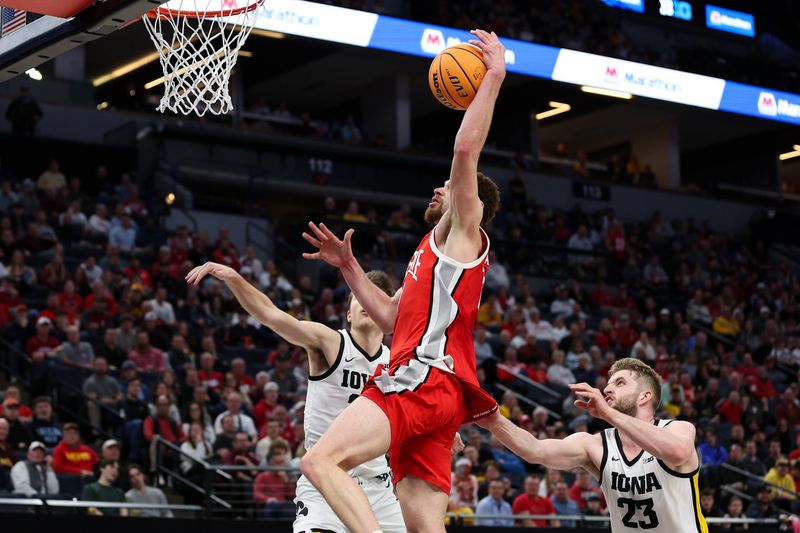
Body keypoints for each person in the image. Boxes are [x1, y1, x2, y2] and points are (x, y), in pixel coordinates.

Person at [297, 29, 505, 533]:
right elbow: (393, 318)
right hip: (444, 393)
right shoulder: (430, 255)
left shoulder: (463, 230)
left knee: (319, 463)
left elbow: (463, 153)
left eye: (449, 188)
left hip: (423, 377)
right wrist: (349, 268)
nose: (439, 188)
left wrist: (493, 75)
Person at [185, 263, 405, 533]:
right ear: (348, 314)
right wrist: (233, 278)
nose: (365, 303)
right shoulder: (330, 343)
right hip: (327, 483)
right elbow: (271, 315)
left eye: (374, 297)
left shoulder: (397, 363)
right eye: (358, 297)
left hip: (377, 488)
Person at [481, 357, 708, 532]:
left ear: (644, 396)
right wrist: (494, 420)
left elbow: (677, 453)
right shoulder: (596, 444)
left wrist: (609, 414)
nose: (607, 389)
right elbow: (536, 451)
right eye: (608, 384)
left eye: (620, 383)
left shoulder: (678, 429)